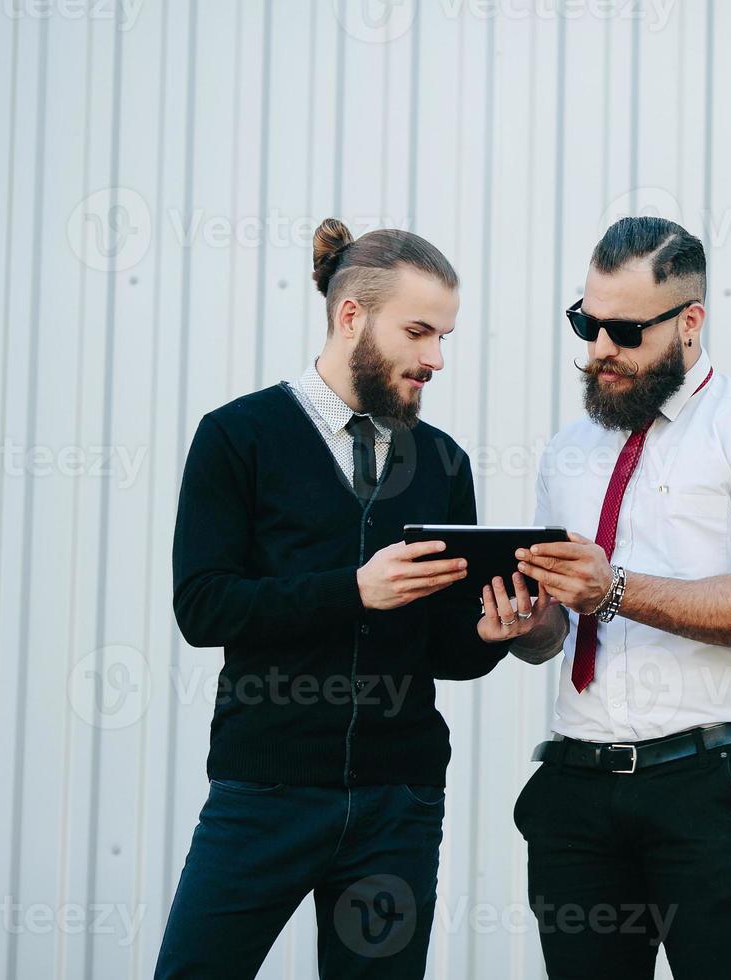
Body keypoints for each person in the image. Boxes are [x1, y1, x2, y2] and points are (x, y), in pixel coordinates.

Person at [154, 219, 558, 978]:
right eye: (419, 332)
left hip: (398, 805)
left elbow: (447, 654)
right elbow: (203, 606)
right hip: (264, 794)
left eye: (444, 337)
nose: (435, 358)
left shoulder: (441, 461)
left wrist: (494, 631)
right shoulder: (237, 437)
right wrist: (355, 591)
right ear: (352, 318)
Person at [508, 216, 731, 979]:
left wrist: (612, 589)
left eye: (623, 331)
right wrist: (526, 626)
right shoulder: (568, 448)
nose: (598, 351)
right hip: (576, 791)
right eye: (585, 323)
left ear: (690, 323)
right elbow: (559, 631)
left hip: (705, 795)